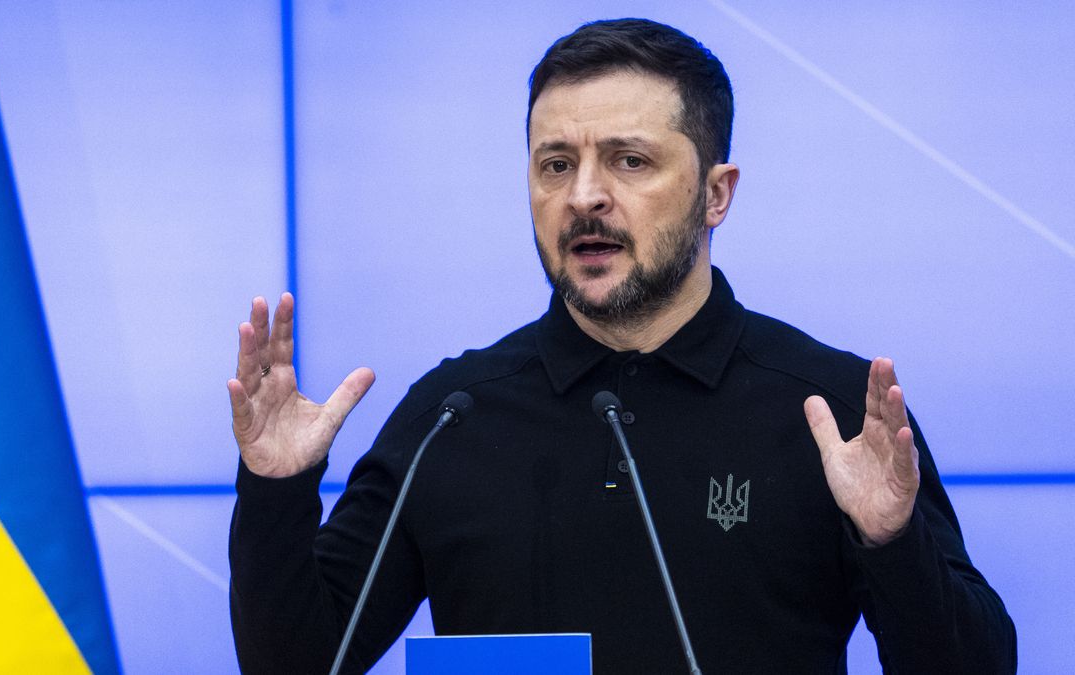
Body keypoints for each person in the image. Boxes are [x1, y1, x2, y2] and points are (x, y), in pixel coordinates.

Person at [227, 18, 1015, 674]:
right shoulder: (451, 416)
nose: (584, 196)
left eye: (629, 160)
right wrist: (273, 491)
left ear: (716, 192)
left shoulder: (826, 409)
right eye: (556, 164)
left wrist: (891, 541)